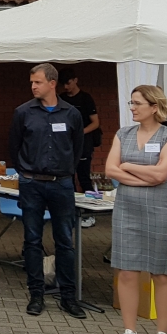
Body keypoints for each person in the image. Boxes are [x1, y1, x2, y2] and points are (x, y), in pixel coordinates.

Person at [106, 85, 167, 334]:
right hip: (127, 208)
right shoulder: (122, 134)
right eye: (131, 102)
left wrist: (128, 167)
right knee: (127, 271)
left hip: (161, 209)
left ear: (154, 106)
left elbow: (162, 175)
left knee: (161, 273)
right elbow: (110, 169)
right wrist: (145, 175)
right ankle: (129, 333)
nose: (132, 107)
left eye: (137, 103)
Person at [9, 63, 87, 319]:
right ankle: (36, 295)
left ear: (52, 83)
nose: (33, 86)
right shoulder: (23, 112)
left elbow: (77, 149)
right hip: (32, 182)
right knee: (32, 240)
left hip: (61, 183)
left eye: (38, 82)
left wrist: (65, 171)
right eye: (31, 82)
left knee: (65, 240)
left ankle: (68, 296)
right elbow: (14, 147)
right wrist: (25, 172)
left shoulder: (72, 114)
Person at [59, 67, 102, 228]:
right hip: (66, 146)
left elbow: (96, 123)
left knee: (83, 177)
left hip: (84, 144)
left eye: (68, 83)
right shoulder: (61, 99)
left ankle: (89, 214)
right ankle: (69, 213)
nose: (66, 87)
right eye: (63, 84)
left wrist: (79, 133)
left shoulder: (86, 98)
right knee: (67, 178)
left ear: (75, 80)